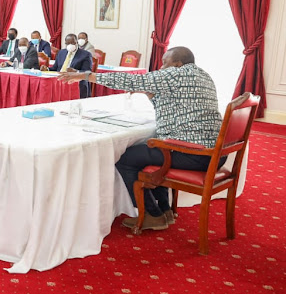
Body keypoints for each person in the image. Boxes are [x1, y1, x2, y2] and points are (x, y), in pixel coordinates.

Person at [58, 46, 224, 231]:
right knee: (153, 149)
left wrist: (85, 76)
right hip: (213, 152)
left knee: (127, 159)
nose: (161, 67)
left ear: (177, 64)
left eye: (165, 63)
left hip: (195, 153)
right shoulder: (203, 75)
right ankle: (164, 209)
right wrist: (151, 94)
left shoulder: (177, 74)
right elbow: (173, 105)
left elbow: (131, 80)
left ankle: (152, 215)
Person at [44, 33, 92, 98]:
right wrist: (47, 69)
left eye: (72, 43)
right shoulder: (61, 52)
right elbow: (55, 68)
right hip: (59, 81)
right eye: (68, 43)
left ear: (77, 42)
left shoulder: (85, 54)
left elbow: (88, 72)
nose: (70, 45)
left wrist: (76, 71)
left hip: (75, 82)